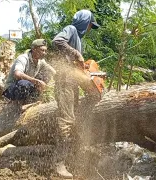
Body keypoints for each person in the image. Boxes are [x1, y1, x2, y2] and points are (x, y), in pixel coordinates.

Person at [51, 9, 100, 178]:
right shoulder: (71, 30)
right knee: (66, 120)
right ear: (84, 22)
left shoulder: (78, 39)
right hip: (64, 82)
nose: (89, 29)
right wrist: (77, 54)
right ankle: (59, 164)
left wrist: (83, 66)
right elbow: (57, 41)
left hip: (72, 83)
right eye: (89, 26)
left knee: (77, 115)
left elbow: (74, 62)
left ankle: (73, 153)